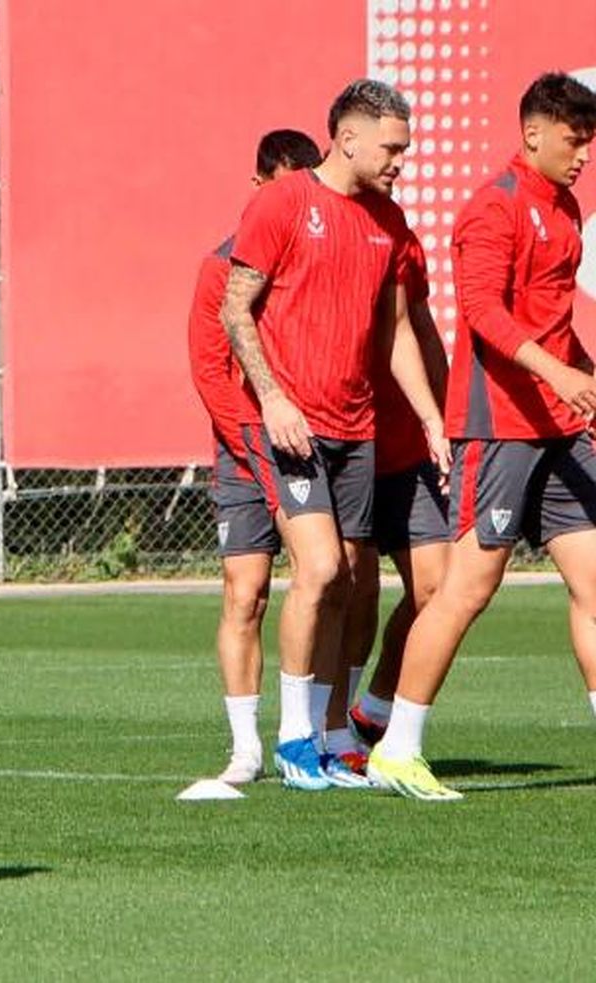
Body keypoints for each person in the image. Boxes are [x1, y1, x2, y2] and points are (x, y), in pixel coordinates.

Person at [370, 73, 596, 800]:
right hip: (498, 426)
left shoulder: (564, 208)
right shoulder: (492, 208)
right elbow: (484, 314)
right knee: (467, 588)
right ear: (533, 133)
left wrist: (583, 375)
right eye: (575, 141)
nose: (584, 156)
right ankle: (396, 748)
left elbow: (554, 324)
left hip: (559, 427)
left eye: (589, 144)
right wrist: (556, 374)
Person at [220, 79, 448, 790]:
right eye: (391, 148)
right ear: (347, 139)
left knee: (348, 582)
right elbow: (235, 307)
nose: (400, 162)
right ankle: (293, 739)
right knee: (318, 570)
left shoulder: (388, 221)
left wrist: (432, 418)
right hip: (292, 425)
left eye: (405, 150)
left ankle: (326, 733)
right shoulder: (283, 203)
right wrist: (273, 398)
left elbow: (398, 332)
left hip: (359, 427)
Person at [186, 128, 321, 785]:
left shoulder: (314, 258)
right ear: (259, 185)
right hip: (249, 448)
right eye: (281, 187)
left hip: (304, 444)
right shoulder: (222, 266)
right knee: (246, 593)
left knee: (325, 577)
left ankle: (319, 730)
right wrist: (254, 442)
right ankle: (246, 748)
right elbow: (210, 372)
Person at [337, 226, 451, 763]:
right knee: (354, 593)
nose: (393, 181)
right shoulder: (317, 227)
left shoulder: (399, 238)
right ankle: (330, 728)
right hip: (345, 441)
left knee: (438, 588)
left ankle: (376, 709)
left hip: (406, 448)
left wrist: (443, 419)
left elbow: (419, 329)